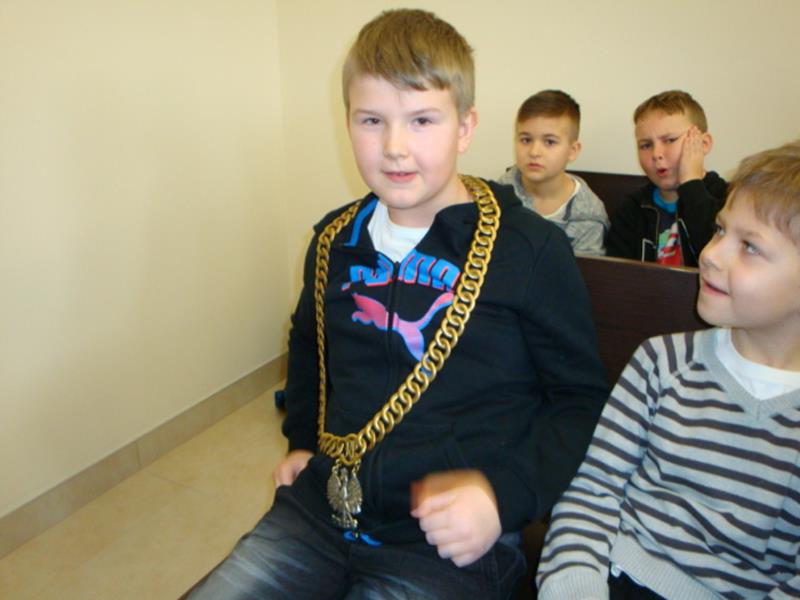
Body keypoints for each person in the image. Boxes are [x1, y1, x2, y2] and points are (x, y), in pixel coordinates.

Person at [189, 8, 608, 600]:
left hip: (447, 544)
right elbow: (309, 349)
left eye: (422, 120)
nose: (394, 147)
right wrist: (303, 441)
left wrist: (502, 497)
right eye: (371, 120)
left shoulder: (530, 251)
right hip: (317, 515)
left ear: (465, 127)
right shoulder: (333, 241)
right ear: (347, 122)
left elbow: (580, 402)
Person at [537, 140, 800, 599]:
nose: (712, 254)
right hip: (613, 574)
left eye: (750, 247)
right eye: (720, 230)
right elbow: (592, 490)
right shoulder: (662, 361)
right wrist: (573, 585)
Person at [606, 90, 728, 266]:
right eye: (646, 145)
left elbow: (718, 261)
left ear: (704, 143)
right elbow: (616, 274)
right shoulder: (631, 210)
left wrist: (691, 183)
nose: (656, 154)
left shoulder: (729, 201)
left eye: (670, 140)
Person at [497, 90, 609, 255]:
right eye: (526, 140)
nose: (534, 152)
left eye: (549, 142)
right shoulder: (496, 195)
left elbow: (583, 270)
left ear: (573, 150)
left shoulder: (589, 217)